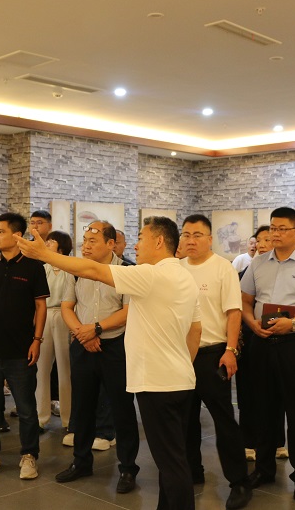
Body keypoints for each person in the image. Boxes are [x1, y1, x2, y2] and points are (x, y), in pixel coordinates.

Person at [16, 216, 202, 510]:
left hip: (158, 383)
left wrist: (43, 254)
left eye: (141, 238)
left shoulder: (152, 275)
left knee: (172, 464)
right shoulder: (184, 276)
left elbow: (92, 270)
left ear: (158, 241)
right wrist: (182, 367)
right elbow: (195, 331)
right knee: (172, 460)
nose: (136, 245)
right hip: (178, 379)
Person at [240, 207, 295, 504]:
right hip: (261, 342)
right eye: (272, 228)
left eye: (281, 229)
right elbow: (245, 300)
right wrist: (252, 323)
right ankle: (264, 469)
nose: (275, 233)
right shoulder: (258, 262)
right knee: (263, 409)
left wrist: (291, 324)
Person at [54, 220, 140, 495]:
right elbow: (67, 307)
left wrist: (97, 329)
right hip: (83, 344)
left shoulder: (126, 271)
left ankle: (128, 468)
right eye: (85, 241)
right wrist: (83, 333)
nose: (86, 246)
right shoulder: (76, 270)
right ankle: (81, 462)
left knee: (122, 408)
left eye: (93, 241)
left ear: (110, 244)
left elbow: (128, 310)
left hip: (115, 345)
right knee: (82, 406)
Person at [0, 213, 49, 480]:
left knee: (26, 408)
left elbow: (40, 305)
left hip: (21, 349)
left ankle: (29, 455)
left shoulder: (33, 266)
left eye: (1, 232)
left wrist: (37, 340)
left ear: (17, 235)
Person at [180, 215, 251, 509]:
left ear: (210, 239)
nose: (191, 240)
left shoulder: (223, 268)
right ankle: (192, 471)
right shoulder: (176, 268)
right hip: (182, 354)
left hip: (213, 353)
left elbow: (234, 312)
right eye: (186, 234)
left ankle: (239, 482)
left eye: (197, 235)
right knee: (185, 418)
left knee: (224, 420)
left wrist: (230, 350)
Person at [236, 225, 285, 462]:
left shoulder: (281, 274)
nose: (262, 244)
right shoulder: (243, 272)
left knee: (276, 393)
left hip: (277, 337)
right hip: (249, 337)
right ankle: (249, 441)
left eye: (268, 239)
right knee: (248, 392)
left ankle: (277, 441)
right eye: (259, 240)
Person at [36, 230, 74, 431]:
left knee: (65, 368)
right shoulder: (42, 269)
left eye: (51, 241)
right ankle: (41, 417)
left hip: (65, 315)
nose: (47, 244)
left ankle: (69, 419)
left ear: (62, 247)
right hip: (44, 314)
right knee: (41, 368)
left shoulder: (71, 268)